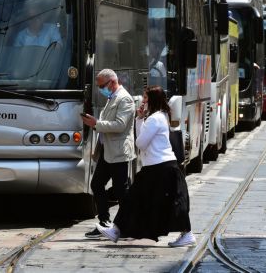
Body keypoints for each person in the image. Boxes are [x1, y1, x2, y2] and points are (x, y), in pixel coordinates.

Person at [96, 85, 195, 247]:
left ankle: (187, 233)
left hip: (161, 168)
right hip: (157, 167)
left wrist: (141, 120)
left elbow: (140, 143)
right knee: (135, 200)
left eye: (146, 98)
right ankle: (116, 230)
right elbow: (142, 140)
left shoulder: (155, 118)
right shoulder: (159, 116)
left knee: (170, 202)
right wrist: (140, 119)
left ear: (153, 100)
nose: (143, 101)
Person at [81, 69, 136, 238]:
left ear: (112, 82)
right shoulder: (112, 96)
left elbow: (119, 125)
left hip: (118, 151)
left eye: (102, 85)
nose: (101, 89)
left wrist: (96, 123)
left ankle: (128, 224)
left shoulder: (124, 98)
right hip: (107, 150)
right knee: (97, 184)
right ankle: (104, 222)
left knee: (121, 190)